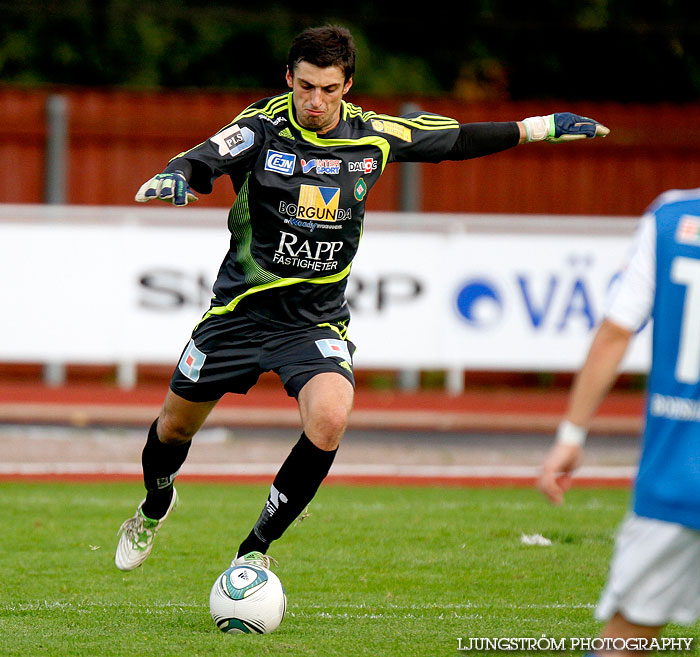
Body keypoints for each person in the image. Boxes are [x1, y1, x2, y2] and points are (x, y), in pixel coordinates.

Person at [115, 24, 609, 573]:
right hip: (237, 315)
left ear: (347, 84)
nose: (315, 101)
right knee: (172, 429)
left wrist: (538, 128)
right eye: (304, 87)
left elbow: (457, 141)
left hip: (313, 324)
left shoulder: (373, 135)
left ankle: (253, 553)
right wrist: (175, 175)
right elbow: (202, 157)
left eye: (328, 89)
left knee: (329, 418)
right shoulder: (260, 128)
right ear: (289, 78)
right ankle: (156, 504)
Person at [538, 188, 700, 656]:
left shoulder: (671, 217)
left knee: (625, 641)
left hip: (677, 475)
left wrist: (571, 434)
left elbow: (614, 331)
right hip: (674, 479)